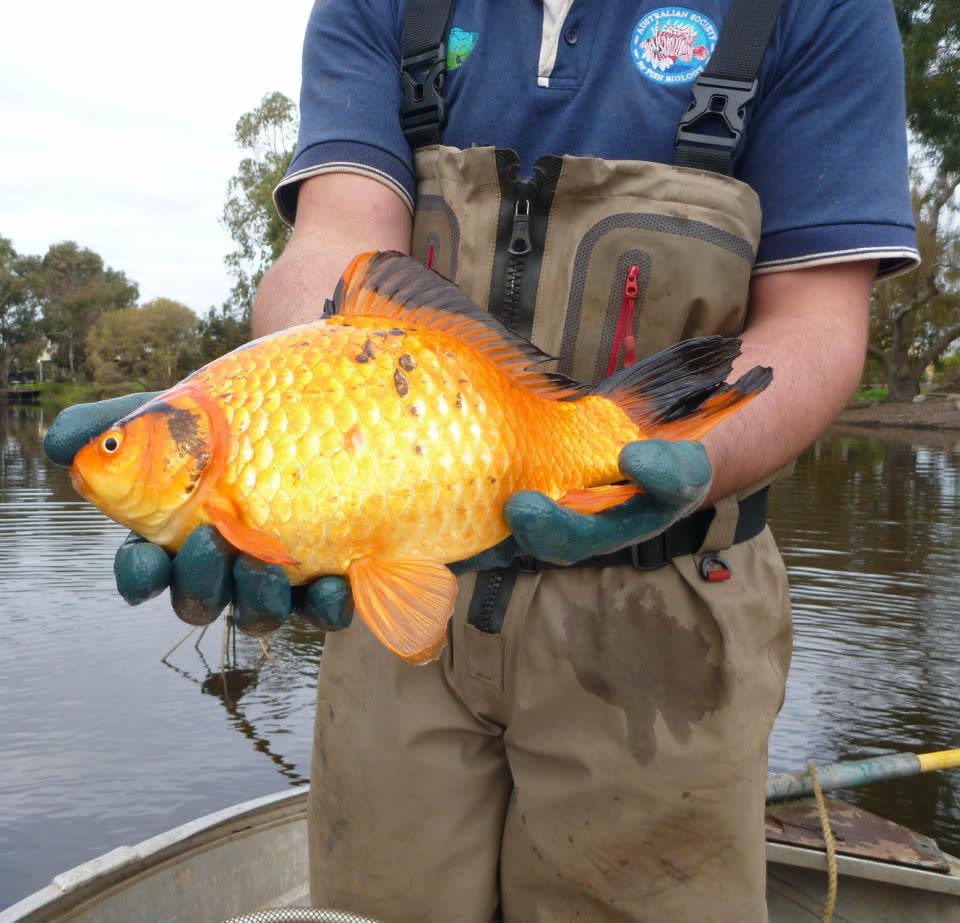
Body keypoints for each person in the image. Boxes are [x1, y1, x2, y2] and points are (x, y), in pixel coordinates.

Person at [46, 1, 918, 920]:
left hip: (673, 622)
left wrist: (674, 461)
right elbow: (335, 243)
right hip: (399, 605)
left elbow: (817, 324)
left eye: (115, 450)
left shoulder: (822, 12)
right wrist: (297, 387)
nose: (102, 462)